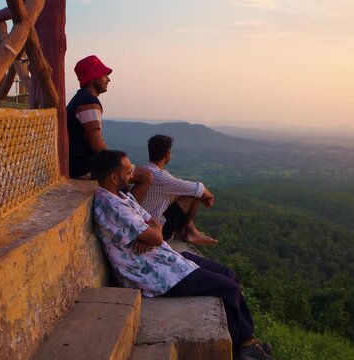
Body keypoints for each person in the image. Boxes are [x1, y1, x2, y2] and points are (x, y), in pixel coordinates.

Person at [91, 150, 272, 360]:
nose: (132, 173)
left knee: (230, 275)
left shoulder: (121, 196)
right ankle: (240, 350)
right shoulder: (111, 206)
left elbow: (153, 224)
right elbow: (156, 235)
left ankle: (247, 341)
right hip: (151, 273)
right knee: (228, 288)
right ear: (113, 177)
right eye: (128, 170)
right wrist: (153, 236)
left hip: (161, 258)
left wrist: (153, 234)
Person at [66, 55, 151, 203]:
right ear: (92, 77)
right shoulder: (89, 102)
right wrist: (119, 164)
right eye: (104, 75)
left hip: (76, 162)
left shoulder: (80, 99)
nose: (108, 79)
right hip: (82, 165)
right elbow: (97, 145)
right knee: (145, 176)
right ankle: (131, 214)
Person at [142, 135, 218, 245]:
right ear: (168, 153)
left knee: (185, 192)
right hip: (156, 232)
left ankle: (192, 231)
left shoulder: (144, 171)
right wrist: (209, 196)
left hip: (143, 226)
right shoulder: (162, 178)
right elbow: (200, 189)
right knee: (194, 195)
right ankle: (183, 233)